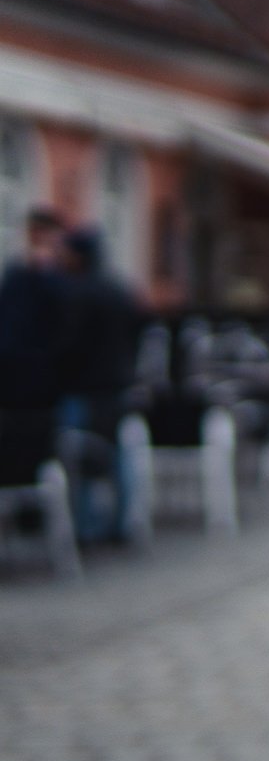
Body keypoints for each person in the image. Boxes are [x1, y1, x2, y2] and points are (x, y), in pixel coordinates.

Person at [51, 226, 145, 542]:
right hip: (117, 384)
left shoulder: (75, 293)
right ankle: (122, 521)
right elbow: (138, 333)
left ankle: (85, 525)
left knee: (81, 456)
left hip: (83, 387)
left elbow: (68, 344)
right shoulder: (119, 291)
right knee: (116, 454)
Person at [0, 206, 76, 410]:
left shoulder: (62, 276)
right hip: (12, 374)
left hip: (44, 379)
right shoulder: (16, 272)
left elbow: (65, 324)